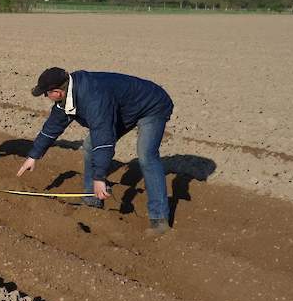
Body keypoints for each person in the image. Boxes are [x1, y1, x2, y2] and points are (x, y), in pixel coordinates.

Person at [16, 67, 175, 233]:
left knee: (146, 156)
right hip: (124, 110)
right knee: (90, 147)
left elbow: (103, 138)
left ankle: (159, 219)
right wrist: (33, 156)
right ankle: (92, 200)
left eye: (45, 93)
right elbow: (53, 126)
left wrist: (100, 177)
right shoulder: (68, 95)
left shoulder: (93, 98)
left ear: (56, 92)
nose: (45, 97)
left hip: (151, 106)